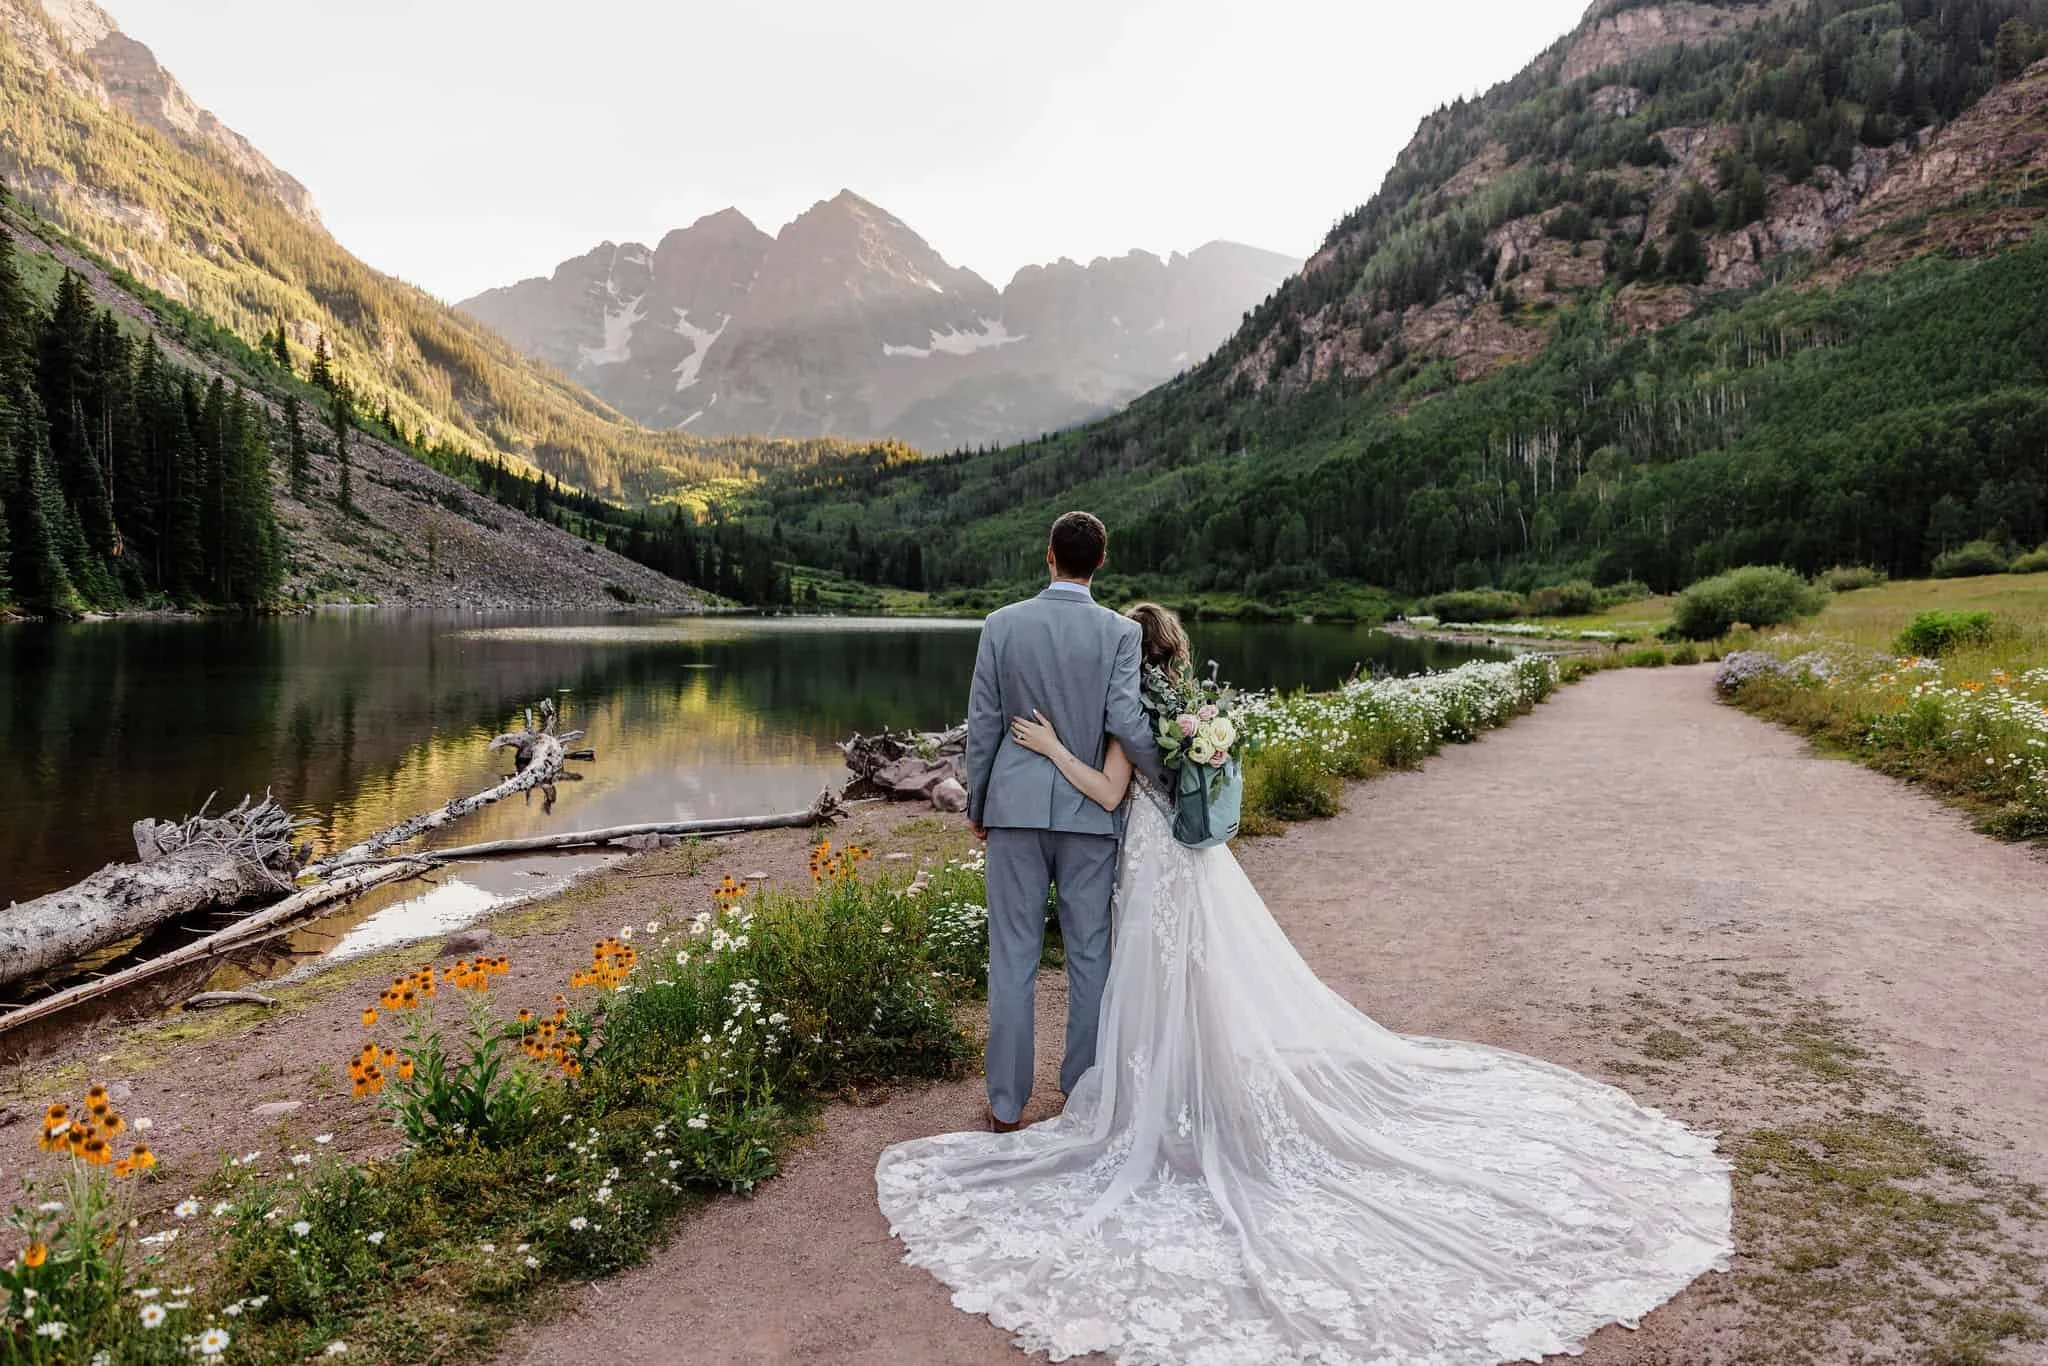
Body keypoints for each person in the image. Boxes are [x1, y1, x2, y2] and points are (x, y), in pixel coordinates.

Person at [877, 601, 1733, 1365]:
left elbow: (1085, 768)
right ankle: (1102, 1082)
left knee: (1075, 963)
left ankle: (1056, 1095)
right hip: (1160, 851)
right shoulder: (1161, 708)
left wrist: (1018, 772)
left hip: (1102, 830)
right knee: (1132, 966)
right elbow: (1143, 764)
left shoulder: (1070, 673)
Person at [961, 510, 1164, 1134]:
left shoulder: (1000, 624)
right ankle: (1082, 1091)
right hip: (1088, 814)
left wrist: (978, 804)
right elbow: (1126, 721)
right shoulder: (1120, 633)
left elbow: (984, 724)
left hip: (1014, 812)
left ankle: (1006, 1104)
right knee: (1090, 956)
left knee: (1012, 957)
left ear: (1049, 555)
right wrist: (1170, 774)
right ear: (1100, 562)